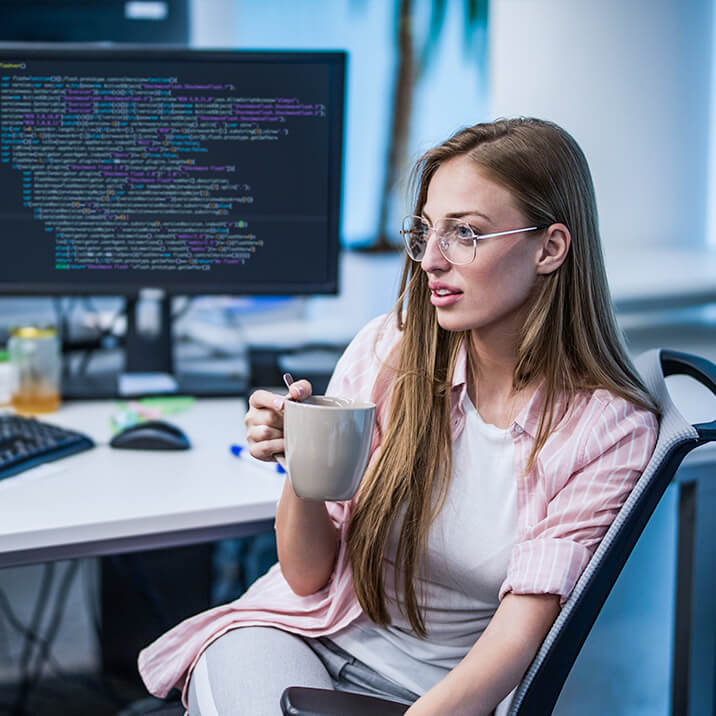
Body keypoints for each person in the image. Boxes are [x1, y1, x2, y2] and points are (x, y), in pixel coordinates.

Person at [138, 117, 659, 716]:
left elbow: (520, 634)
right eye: (426, 232)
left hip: (439, 692)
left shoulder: (605, 431)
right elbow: (307, 578)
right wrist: (303, 462)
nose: (431, 260)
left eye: (465, 233)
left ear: (550, 248)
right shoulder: (388, 350)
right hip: (302, 632)